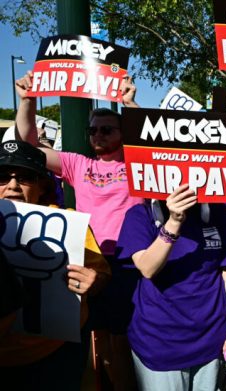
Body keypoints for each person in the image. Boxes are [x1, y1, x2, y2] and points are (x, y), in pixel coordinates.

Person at [14, 71, 143, 389]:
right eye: (93, 130)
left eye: (106, 129)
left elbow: (152, 142)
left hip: (129, 264)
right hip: (86, 262)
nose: (98, 134)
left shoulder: (139, 164)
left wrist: (131, 105)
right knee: (91, 343)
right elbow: (28, 148)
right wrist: (27, 102)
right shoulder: (78, 164)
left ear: (123, 132)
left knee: (124, 344)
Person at [0, 140, 110, 389]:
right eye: (3, 177)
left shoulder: (69, 222)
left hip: (55, 356)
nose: (13, 186)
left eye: (25, 177)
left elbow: (101, 275)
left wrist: (94, 281)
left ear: (42, 186)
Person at [115, 186, 226, 390]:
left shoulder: (217, 211)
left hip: (212, 340)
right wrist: (174, 222)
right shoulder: (140, 214)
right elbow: (147, 268)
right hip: (160, 344)